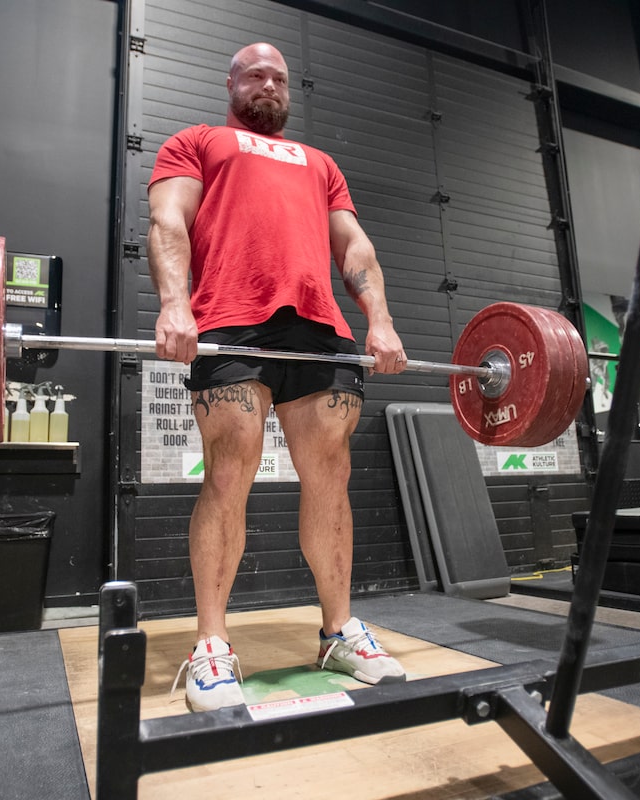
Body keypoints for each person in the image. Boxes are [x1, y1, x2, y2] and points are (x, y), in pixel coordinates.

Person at [148, 42, 409, 713]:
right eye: (257, 74)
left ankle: (338, 630)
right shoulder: (196, 141)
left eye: (281, 78)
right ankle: (210, 644)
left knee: (331, 478)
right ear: (231, 82)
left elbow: (353, 246)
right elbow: (168, 220)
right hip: (229, 319)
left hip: (318, 326)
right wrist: (176, 303)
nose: (270, 83)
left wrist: (378, 320)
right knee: (229, 471)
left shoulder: (320, 163)